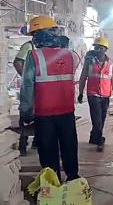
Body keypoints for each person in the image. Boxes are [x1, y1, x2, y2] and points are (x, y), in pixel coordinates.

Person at [19, 15, 80, 181]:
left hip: (44, 113)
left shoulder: (35, 56)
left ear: (40, 33)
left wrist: (25, 112)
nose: (34, 38)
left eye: (34, 34)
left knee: (48, 150)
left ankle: (52, 185)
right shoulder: (70, 54)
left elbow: (27, 87)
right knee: (69, 146)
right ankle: (73, 179)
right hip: (67, 111)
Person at [78, 36, 113, 152]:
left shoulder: (110, 63)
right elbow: (83, 77)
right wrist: (80, 93)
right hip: (93, 94)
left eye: (101, 48)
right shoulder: (89, 62)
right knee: (97, 119)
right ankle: (100, 140)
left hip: (106, 94)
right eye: (96, 48)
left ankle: (94, 137)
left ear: (105, 49)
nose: (98, 50)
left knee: (102, 118)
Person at [13, 33, 36, 156]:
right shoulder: (28, 46)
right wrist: (26, 77)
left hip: (39, 87)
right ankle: (23, 144)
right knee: (26, 113)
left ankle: (36, 142)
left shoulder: (41, 47)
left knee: (39, 114)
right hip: (29, 88)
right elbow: (17, 62)